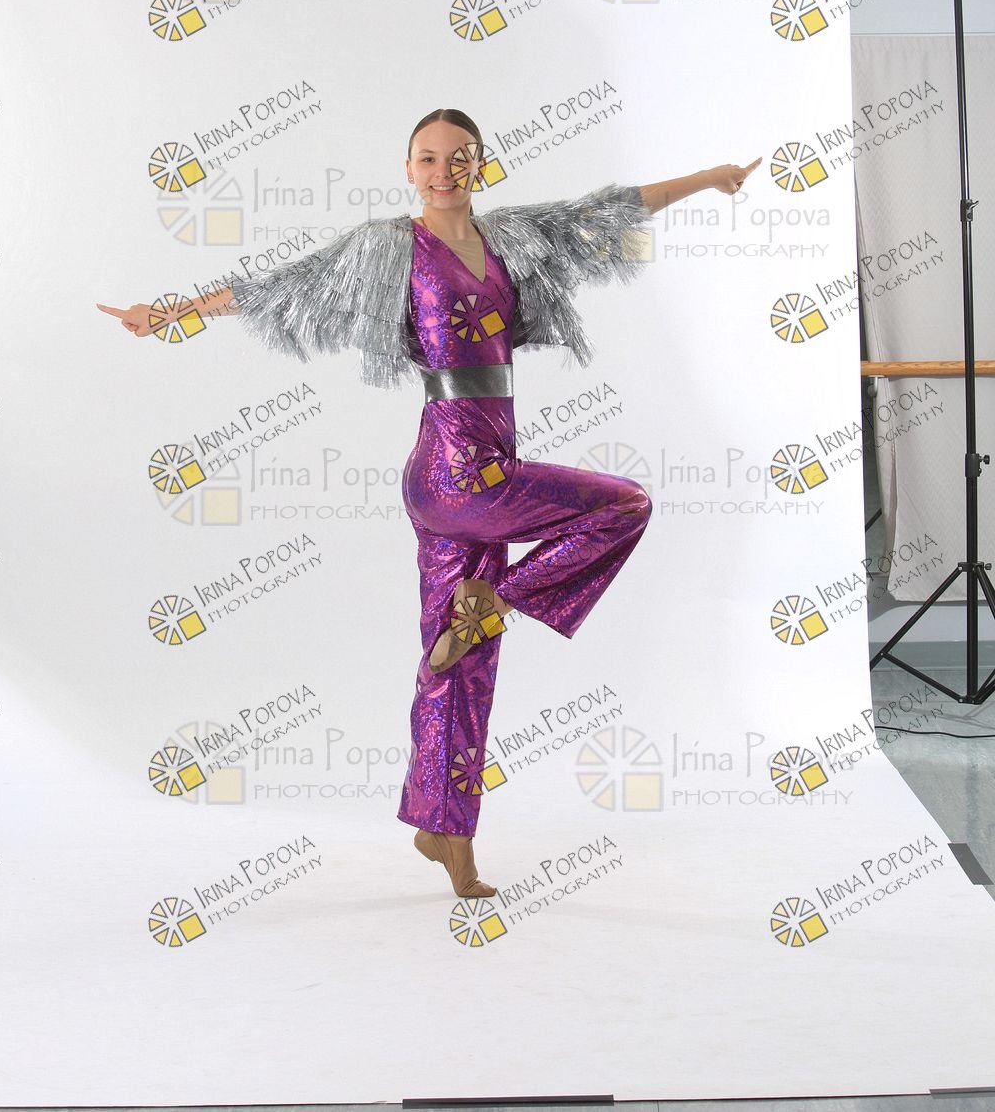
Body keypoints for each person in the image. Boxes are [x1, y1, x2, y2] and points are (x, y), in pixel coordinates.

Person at [98, 109, 760, 899]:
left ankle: (447, 835)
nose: (443, 171)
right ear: (408, 168)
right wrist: (167, 314)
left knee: (460, 668)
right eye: (428, 158)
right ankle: (497, 601)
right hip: (458, 472)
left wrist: (708, 178)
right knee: (624, 506)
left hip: (468, 473)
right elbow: (284, 285)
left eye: (459, 157)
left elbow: (606, 210)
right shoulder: (388, 246)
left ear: (482, 164)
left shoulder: (514, 237)